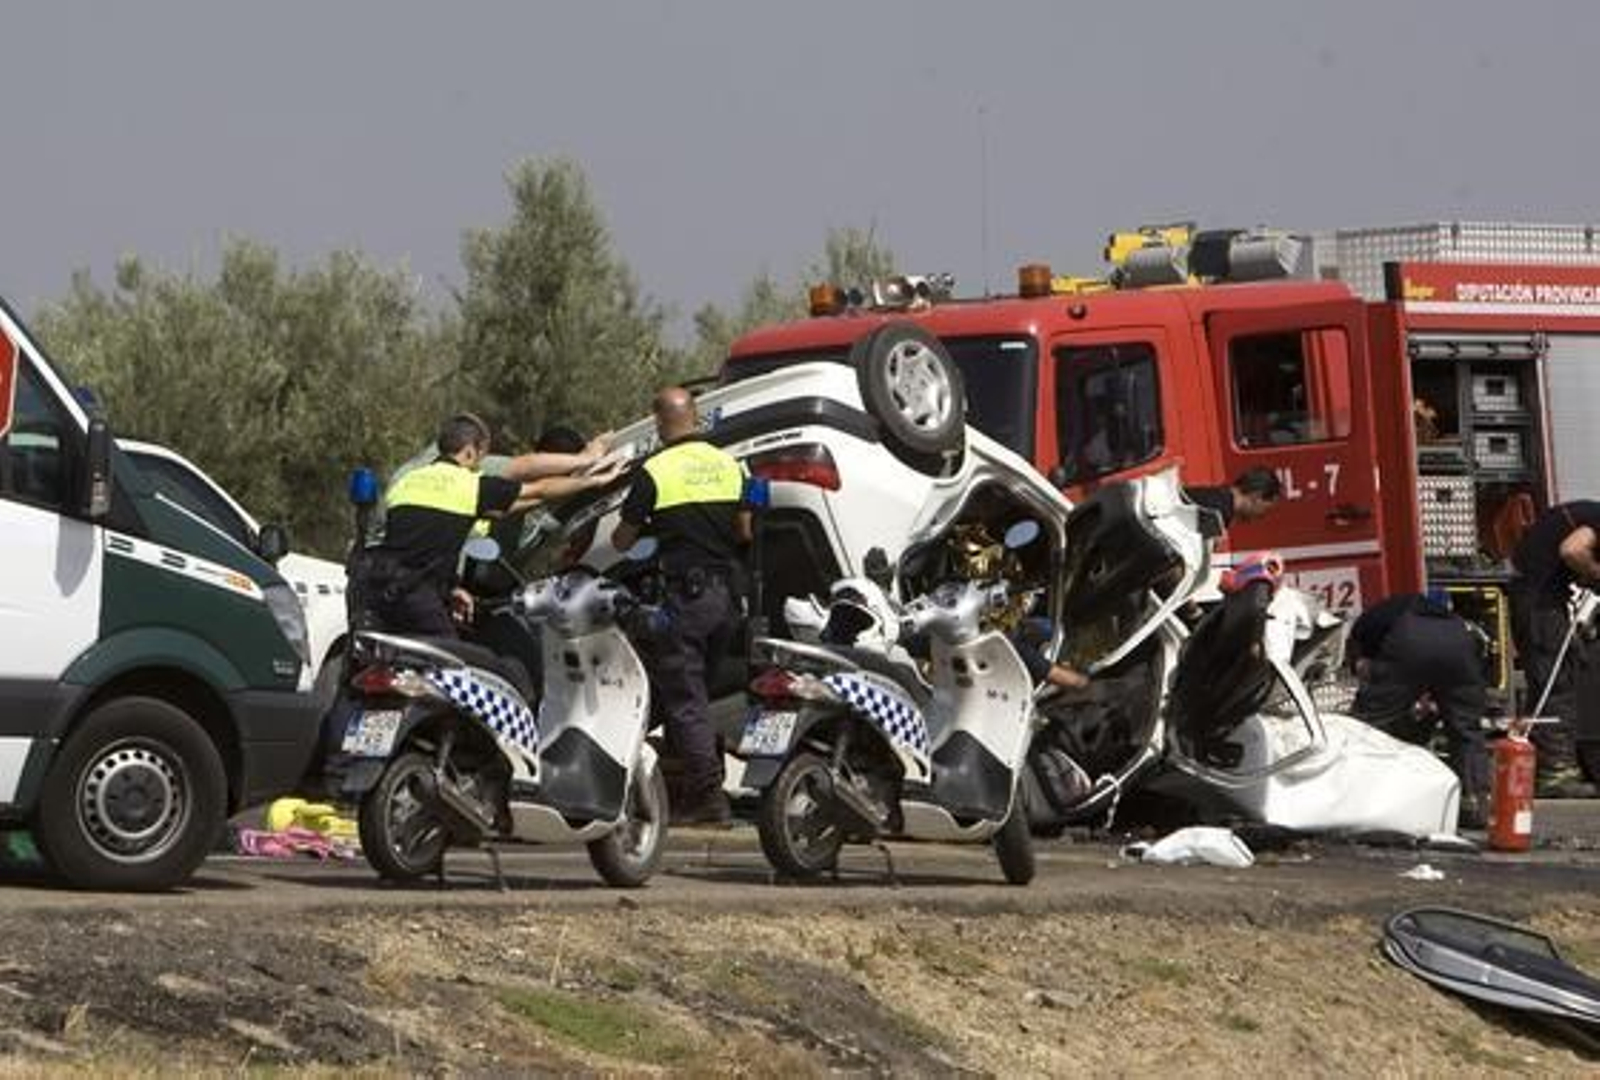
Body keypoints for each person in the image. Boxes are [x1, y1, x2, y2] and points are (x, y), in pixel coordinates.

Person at [612, 388, 751, 827]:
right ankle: (696, 780)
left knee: (685, 699)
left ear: (659, 422)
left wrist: (655, 527)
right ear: (696, 418)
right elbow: (746, 530)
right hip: (728, 598)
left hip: (686, 599)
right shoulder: (732, 464)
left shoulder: (654, 470)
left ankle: (709, 799)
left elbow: (621, 540)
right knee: (696, 695)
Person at [359, 413, 620, 639]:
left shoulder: (408, 480)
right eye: (482, 456)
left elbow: (420, 542)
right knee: (452, 669)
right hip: (415, 597)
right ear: (471, 451)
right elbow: (533, 481)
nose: (482, 463)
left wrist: (451, 589)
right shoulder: (469, 484)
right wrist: (589, 467)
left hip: (373, 587)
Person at [1348, 590, 1491, 829]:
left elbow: (1373, 676)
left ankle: (1356, 797)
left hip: (1411, 639)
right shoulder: (1410, 611)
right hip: (1458, 641)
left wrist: (1368, 678)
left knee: (1369, 723)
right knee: (1466, 729)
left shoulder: (1364, 629)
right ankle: (1476, 803)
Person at [1509, 500, 1600, 794]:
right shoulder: (1597, 519)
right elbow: (1573, 550)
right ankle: (1558, 771)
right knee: (1556, 681)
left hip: (1535, 598)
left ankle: (1539, 764)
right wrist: (1596, 573)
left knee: (1545, 681)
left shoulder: (1585, 512)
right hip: (1540, 605)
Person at [1184, 467, 1284, 529]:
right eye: (1264, 510)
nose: (1259, 516)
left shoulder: (1214, 495)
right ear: (1256, 497)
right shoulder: (1219, 514)